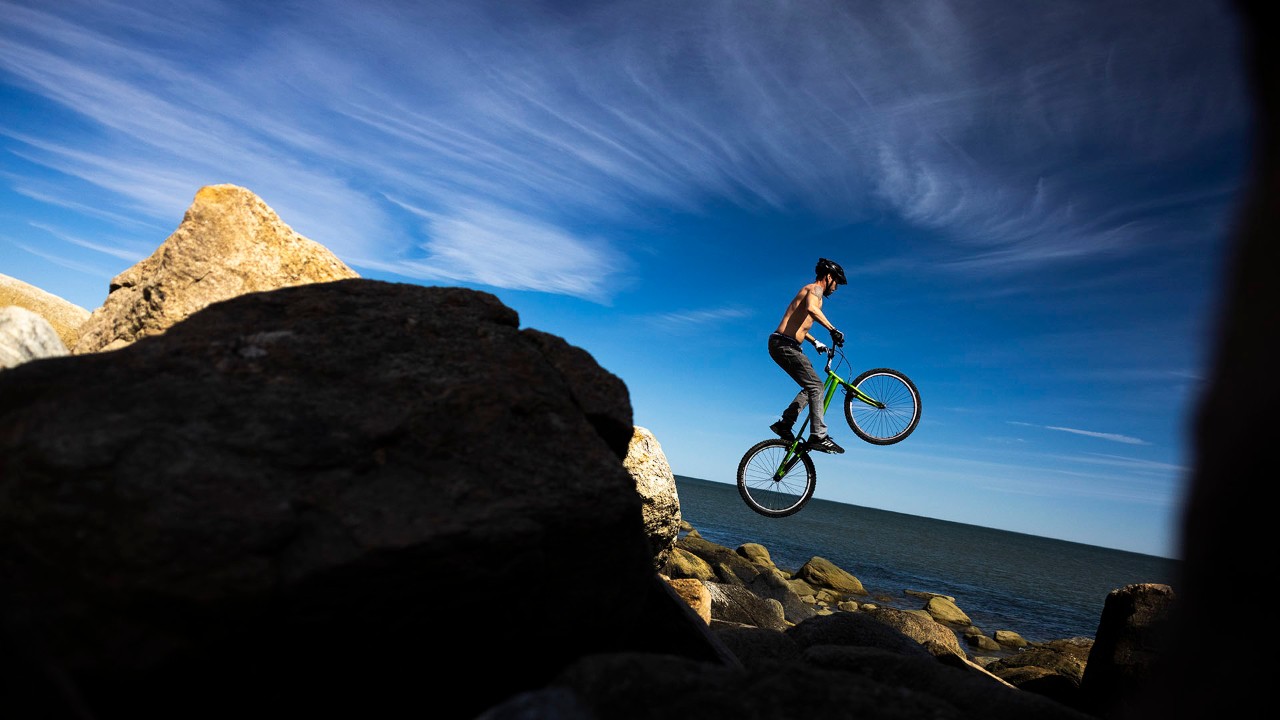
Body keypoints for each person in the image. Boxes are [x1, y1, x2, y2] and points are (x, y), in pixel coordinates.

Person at [767, 257, 848, 454]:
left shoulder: (812, 292)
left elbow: (798, 322)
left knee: (811, 386)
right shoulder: (815, 290)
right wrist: (832, 329)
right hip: (785, 345)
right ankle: (818, 435)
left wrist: (814, 342)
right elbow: (811, 309)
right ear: (828, 277)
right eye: (836, 282)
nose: (835, 288)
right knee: (816, 386)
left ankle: (785, 424)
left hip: (784, 343)